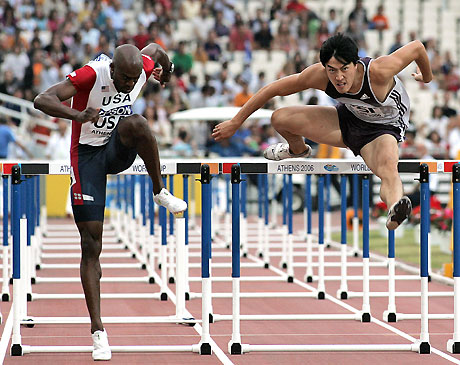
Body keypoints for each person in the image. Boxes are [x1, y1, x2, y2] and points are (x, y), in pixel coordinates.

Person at [34, 43, 187, 361]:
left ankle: (159, 190)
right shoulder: (92, 73)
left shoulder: (140, 68)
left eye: (136, 79)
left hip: (115, 149)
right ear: (112, 70)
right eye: (125, 80)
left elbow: (156, 50)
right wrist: (78, 114)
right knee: (91, 245)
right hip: (87, 157)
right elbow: (42, 99)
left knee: (138, 123)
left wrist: (167, 70)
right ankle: (98, 332)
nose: (131, 85)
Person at [212, 33, 433, 231]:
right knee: (279, 118)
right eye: (332, 70)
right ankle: (297, 150)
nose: (338, 77)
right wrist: (236, 122)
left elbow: (417, 47)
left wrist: (427, 77)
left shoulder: (379, 71)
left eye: (344, 69)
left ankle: (395, 206)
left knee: (387, 169)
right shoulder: (319, 76)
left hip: (384, 128)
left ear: (356, 65)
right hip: (349, 119)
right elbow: (273, 89)